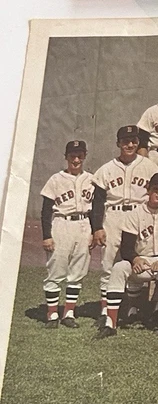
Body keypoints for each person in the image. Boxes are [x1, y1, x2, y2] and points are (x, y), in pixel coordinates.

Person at [100, 172, 158, 340]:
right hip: (145, 261)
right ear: (148, 190)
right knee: (118, 268)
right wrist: (135, 259)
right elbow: (126, 246)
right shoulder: (135, 213)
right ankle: (110, 323)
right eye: (156, 189)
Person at [91, 125, 158, 326]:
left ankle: (132, 308)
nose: (130, 145)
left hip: (139, 216)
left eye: (133, 141)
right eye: (125, 141)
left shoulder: (149, 166)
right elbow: (97, 201)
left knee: (135, 261)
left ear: (138, 143)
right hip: (113, 217)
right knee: (109, 263)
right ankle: (106, 310)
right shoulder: (106, 169)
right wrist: (97, 227)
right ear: (118, 143)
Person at [40, 140, 95, 329]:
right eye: (72, 155)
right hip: (61, 224)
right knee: (56, 270)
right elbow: (46, 210)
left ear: (85, 156)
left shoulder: (91, 179)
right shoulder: (56, 179)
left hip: (84, 225)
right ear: (66, 157)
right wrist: (46, 235)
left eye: (80, 155)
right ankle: (52, 314)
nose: (76, 159)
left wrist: (94, 232)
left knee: (77, 272)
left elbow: (95, 209)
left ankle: (69, 313)